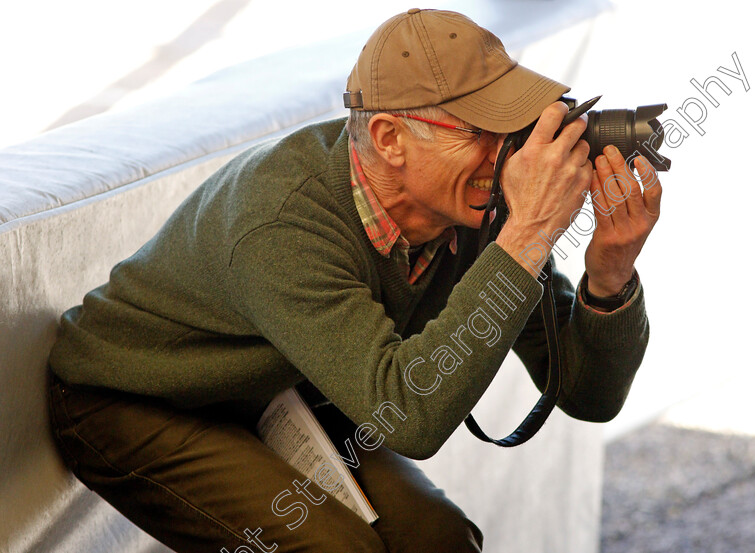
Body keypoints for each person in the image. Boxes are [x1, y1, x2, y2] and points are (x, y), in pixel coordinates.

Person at [46, 8, 660, 553]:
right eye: (481, 133)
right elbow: (409, 419)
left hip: (282, 386)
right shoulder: (283, 222)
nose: (510, 155)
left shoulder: (478, 213)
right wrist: (525, 237)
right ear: (391, 139)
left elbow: (585, 396)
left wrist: (609, 275)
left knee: (438, 540)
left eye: (515, 128)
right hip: (139, 400)